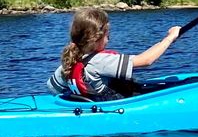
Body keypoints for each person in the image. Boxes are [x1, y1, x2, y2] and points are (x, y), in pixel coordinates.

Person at [51, 7, 181, 101]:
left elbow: (52, 87)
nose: (109, 39)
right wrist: (170, 38)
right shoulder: (100, 61)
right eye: (107, 35)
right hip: (116, 107)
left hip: (93, 104)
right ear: (96, 39)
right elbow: (146, 60)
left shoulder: (70, 61)